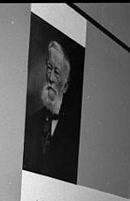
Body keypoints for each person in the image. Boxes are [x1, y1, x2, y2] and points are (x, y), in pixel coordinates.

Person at [23, 40, 79, 183]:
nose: (51, 78)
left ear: (65, 87)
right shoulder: (30, 122)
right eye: (49, 68)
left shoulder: (74, 132)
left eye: (57, 72)